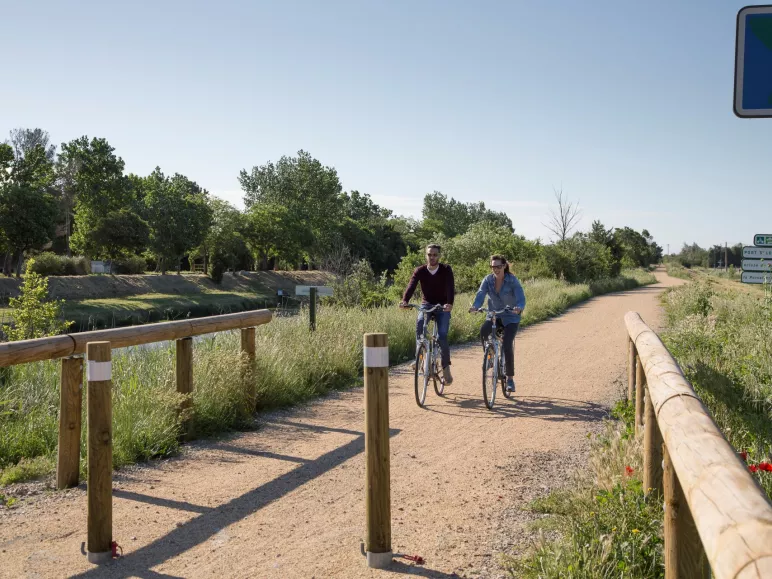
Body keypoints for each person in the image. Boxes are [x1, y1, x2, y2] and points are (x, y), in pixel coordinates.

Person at [399, 243, 455, 384]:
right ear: (426, 255)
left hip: (442, 305)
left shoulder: (446, 269)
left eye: (435, 255)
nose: (432, 257)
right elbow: (411, 285)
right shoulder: (420, 271)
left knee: (442, 335)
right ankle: (420, 358)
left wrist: (449, 303)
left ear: (439, 256)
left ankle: (446, 367)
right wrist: (405, 300)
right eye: (429, 254)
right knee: (420, 326)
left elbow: (450, 286)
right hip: (427, 304)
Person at [469, 254, 526, 393]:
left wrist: (519, 307)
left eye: (498, 266)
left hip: (511, 317)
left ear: (504, 266)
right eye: (493, 266)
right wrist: (476, 306)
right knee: (484, 331)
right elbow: (481, 294)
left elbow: (520, 296)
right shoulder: (487, 280)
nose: (495, 269)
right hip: (494, 315)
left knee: (507, 344)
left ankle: (510, 379)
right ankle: (489, 357)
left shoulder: (512, 280)